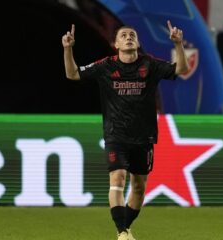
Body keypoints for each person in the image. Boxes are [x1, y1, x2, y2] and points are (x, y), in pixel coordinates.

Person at [62, 21, 189, 240]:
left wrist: (178, 44)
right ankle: (122, 232)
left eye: (132, 35)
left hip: (144, 136)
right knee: (118, 178)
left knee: (138, 189)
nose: (129, 37)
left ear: (138, 43)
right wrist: (68, 48)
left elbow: (182, 69)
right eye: (124, 35)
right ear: (116, 43)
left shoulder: (149, 64)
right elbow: (72, 74)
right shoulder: (106, 66)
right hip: (115, 135)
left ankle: (124, 228)